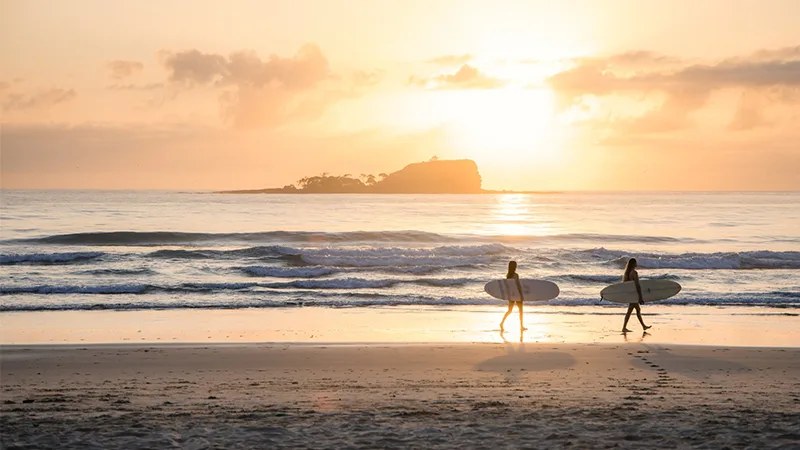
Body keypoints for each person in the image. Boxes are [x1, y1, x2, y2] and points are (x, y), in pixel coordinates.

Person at [621, 257, 651, 333]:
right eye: (635, 263)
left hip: (630, 294)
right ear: (633, 264)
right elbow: (637, 285)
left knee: (634, 310)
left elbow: (626, 286)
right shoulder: (634, 273)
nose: (636, 264)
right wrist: (640, 297)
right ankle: (624, 327)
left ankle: (643, 326)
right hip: (634, 295)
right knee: (633, 310)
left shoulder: (627, 273)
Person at [500, 261, 528, 332]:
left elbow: (508, 286)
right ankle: (521, 326)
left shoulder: (508, 275)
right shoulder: (516, 275)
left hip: (511, 295)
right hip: (517, 295)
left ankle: (502, 323)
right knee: (521, 311)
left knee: (509, 310)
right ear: (514, 267)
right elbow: (518, 286)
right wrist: (521, 295)